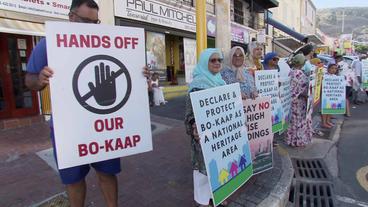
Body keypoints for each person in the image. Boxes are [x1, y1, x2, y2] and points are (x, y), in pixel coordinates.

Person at [25, 1, 150, 206]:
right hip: (69, 128)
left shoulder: (108, 42)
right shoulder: (49, 43)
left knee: (107, 174)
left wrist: (139, 73)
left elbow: (127, 69)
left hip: (105, 124)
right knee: (74, 180)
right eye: (86, 21)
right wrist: (39, 79)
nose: (91, 27)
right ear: (71, 16)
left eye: (95, 22)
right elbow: (29, 80)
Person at [184, 48, 227, 207]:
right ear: (204, 62)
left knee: (218, 165)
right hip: (202, 136)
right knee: (202, 170)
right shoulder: (198, 84)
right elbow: (189, 113)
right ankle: (202, 201)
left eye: (219, 60)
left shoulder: (221, 81)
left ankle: (216, 196)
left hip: (220, 133)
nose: (217, 63)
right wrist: (194, 126)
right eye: (212, 60)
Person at [286, 54, 312, 147]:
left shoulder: (291, 72)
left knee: (293, 122)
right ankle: (298, 141)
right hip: (300, 101)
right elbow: (301, 89)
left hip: (291, 101)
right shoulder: (299, 73)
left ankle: (292, 140)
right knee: (299, 122)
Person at [321, 64, 339, 128]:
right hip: (326, 95)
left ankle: (328, 121)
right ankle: (324, 122)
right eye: (332, 68)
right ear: (328, 69)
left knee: (330, 109)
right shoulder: (325, 76)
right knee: (325, 109)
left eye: (335, 69)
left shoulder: (335, 77)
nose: (334, 70)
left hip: (333, 95)